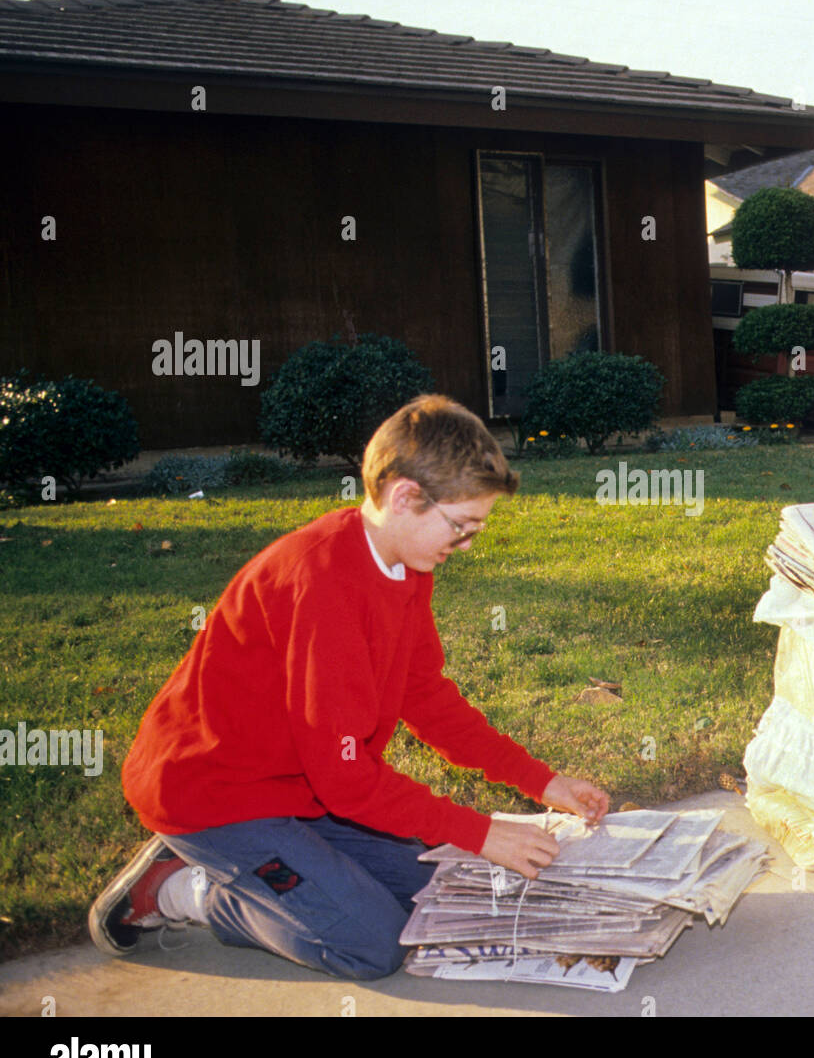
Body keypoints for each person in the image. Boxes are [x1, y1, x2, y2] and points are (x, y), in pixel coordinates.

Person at [90, 393, 610, 979]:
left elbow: (428, 700)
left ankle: (278, 866)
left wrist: (543, 780)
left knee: (434, 893)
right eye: (461, 526)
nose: (467, 544)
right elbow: (347, 781)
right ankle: (179, 888)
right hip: (214, 796)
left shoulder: (406, 565)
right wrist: (480, 831)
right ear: (405, 496)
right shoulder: (323, 585)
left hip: (302, 791)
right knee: (374, 944)